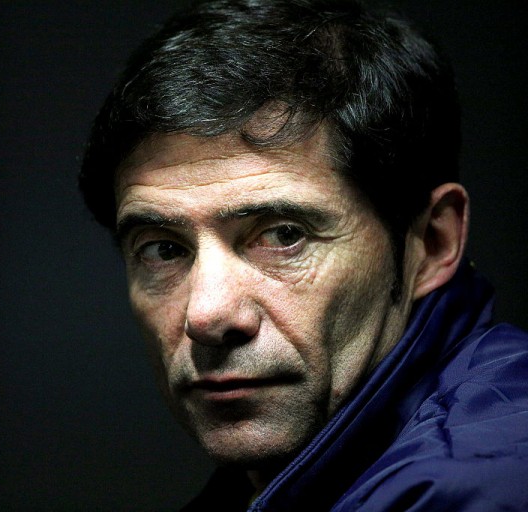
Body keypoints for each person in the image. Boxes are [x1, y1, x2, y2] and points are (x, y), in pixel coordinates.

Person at [79, 0, 528, 510]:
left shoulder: (479, 487)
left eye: (283, 235)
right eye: (164, 249)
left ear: (431, 243)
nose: (206, 315)